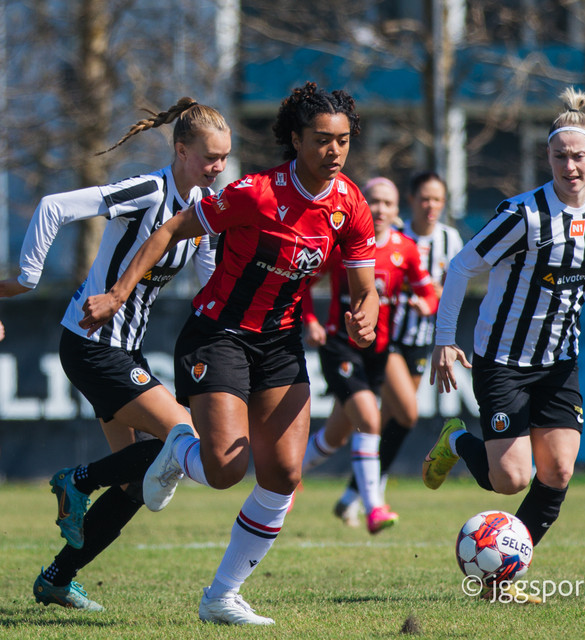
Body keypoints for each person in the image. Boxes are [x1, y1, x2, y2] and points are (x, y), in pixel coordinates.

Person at [78, 82, 379, 626]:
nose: (333, 151)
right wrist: (120, 292)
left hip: (280, 342)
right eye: (321, 139)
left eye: (342, 140)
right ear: (295, 139)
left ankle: (222, 596)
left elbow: (365, 287)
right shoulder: (254, 192)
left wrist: (368, 313)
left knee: (283, 473)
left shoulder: (351, 204)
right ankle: (177, 448)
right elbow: (172, 229)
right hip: (219, 335)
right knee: (224, 471)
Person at [0, 97, 231, 610]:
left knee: (134, 483)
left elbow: (211, 283)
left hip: (125, 351)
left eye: (224, 158)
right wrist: (27, 278)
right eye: (210, 157)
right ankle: (76, 480)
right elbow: (53, 207)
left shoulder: (205, 210)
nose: (218, 167)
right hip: (92, 346)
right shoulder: (150, 190)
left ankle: (57, 578)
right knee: (184, 437)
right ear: (181, 150)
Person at [424, 87, 585, 600]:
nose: (569, 166)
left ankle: (502, 579)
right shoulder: (523, 215)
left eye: (578, 156)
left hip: (559, 360)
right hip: (503, 359)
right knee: (510, 479)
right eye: (560, 156)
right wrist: (444, 339)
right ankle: (457, 440)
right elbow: (461, 266)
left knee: (558, 470)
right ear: (548, 157)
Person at [301, 176, 439, 533]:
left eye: (387, 203)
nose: (380, 209)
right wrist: (311, 321)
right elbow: (303, 284)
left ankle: (290, 472)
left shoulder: (406, 249)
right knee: (369, 420)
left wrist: (427, 304)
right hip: (340, 345)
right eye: (373, 201)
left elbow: (429, 292)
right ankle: (374, 507)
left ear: (396, 210)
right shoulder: (340, 244)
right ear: (361, 205)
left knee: (337, 435)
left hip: (379, 349)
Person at [333, 171, 463, 526]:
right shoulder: (396, 233)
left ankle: (356, 494)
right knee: (395, 415)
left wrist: (432, 299)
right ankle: (363, 495)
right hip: (389, 338)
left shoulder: (450, 239)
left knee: (394, 418)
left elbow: (452, 287)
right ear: (411, 201)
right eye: (425, 198)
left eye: (438, 199)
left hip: (420, 339)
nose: (431, 205)